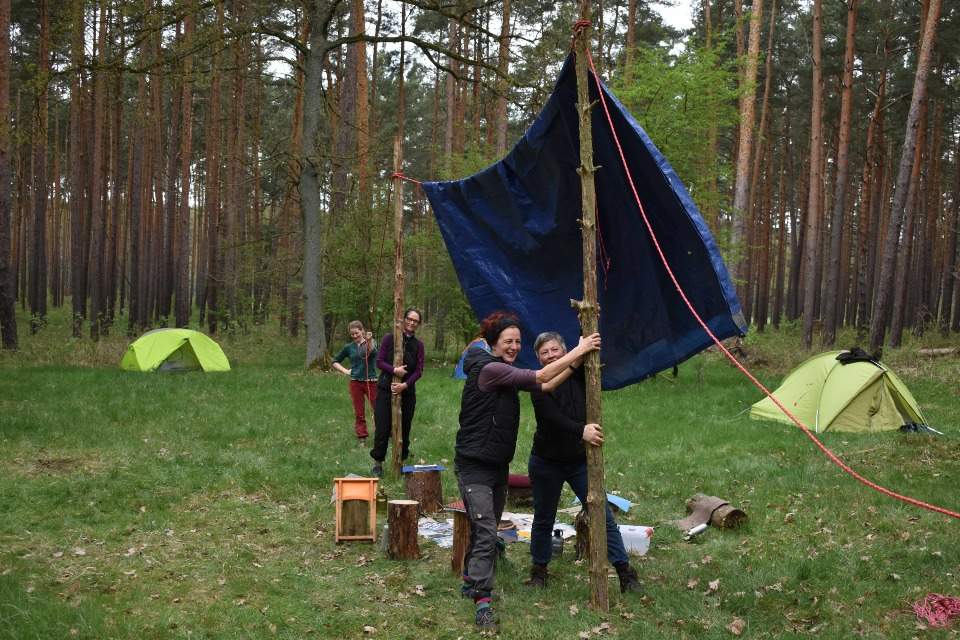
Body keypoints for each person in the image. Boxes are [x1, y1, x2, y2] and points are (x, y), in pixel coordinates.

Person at [455, 312, 600, 631]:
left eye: (518, 342)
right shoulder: (491, 370)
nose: (514, 346)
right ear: (494, 343)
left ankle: (469, 580)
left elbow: (545, 383)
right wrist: (580, 348)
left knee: (483, 528)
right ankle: (482, 601)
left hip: (497, 465)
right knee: (487, 531)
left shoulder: (501, 369)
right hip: (474, 465)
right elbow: (542, 375)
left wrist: (576, 361)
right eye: (508, 341)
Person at [526, 331, 641, 593]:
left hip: (580, 461)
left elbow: (600, 359)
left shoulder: (582, 372)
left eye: (555, 350)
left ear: (564, 350)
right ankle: (539, 571)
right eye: (544, 353)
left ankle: (625, 572)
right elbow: (551, 417)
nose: (550, 355)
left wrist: (585, 344)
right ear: (538, 358)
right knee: (544, 518)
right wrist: (582, 431)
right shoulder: (536, 381)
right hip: (546, 461)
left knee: (602, 514)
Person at [370, 308, 425, 477]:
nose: (412, 323)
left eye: (415, 321)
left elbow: (419, 371)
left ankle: (401, 461)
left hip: (407, 393)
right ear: (404, 319)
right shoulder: (390, 338)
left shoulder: (418, 345)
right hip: (386, 390)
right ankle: (378, 463)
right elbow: (379, 362)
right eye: (409, 319)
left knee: (404, 429)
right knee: (382, 428)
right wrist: (394, 370)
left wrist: (405, 385)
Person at [331, 321, 378, 444]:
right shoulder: (349, 347)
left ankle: (384, 434)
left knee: (378, 409)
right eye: (352, 334)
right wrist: (345, 371)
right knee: (359, 412)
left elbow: (371, 352)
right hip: (355, 383)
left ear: (362, 331)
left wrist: (368, 341)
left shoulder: (371, 342)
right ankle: (362, 437)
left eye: (357, 333)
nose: (355, 336)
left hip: (371, 382)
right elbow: (335, 361)